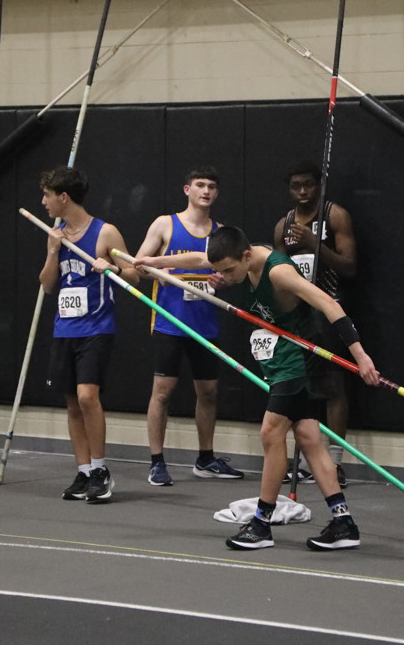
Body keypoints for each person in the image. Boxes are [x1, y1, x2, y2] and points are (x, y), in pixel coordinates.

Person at [137, 226, 380, 551]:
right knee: (308, 437)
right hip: (283, 358)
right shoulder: (239, 260)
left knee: (270, 432)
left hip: (301, 357)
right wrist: (152, 261)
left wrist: (360, 356)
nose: (224, 277)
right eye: (220, 271)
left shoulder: (278, 272)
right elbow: (198, 259)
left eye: (228, 271)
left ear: (246, 256)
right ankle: (343, 522)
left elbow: (327, 303)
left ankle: (262, 524)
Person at [133, 166, 242, 486]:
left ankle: (205, 459)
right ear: (187, 190)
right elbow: (138, 265)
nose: (206, 191)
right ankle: (156, 462)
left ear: (217, 193)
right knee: (162, 392)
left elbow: (231, 275)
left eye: (211, 186)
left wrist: (223, 282)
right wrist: (165, 273)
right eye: (200, 185)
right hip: (169, 322)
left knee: (208, 391)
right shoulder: (165, 224)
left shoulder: (220, 233)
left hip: (204, 324)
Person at [39, 166, 139, 503]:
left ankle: (100, 469)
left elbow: (134, 275)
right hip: (64, 329)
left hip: (96, 327)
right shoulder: (56, 234)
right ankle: (83, 472)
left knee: (86, 396)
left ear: (64, 197)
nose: (44, 202)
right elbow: (48, 285)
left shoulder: (105, 233)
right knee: (71, 401)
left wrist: (111, 268)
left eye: (47, 196)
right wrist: (53, 250)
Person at [272, 160, 357, 487]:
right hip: (298, 315)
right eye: (296, 186)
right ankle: (306, 460)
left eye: (308, 184)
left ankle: (335, 463)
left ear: (319, 184)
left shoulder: (335, 216)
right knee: (299, 384)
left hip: (329, 309)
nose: (303, 191)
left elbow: (350, 267)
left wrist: (313, 244)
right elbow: (277, 274)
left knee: (334, 385)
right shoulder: (283, 225)